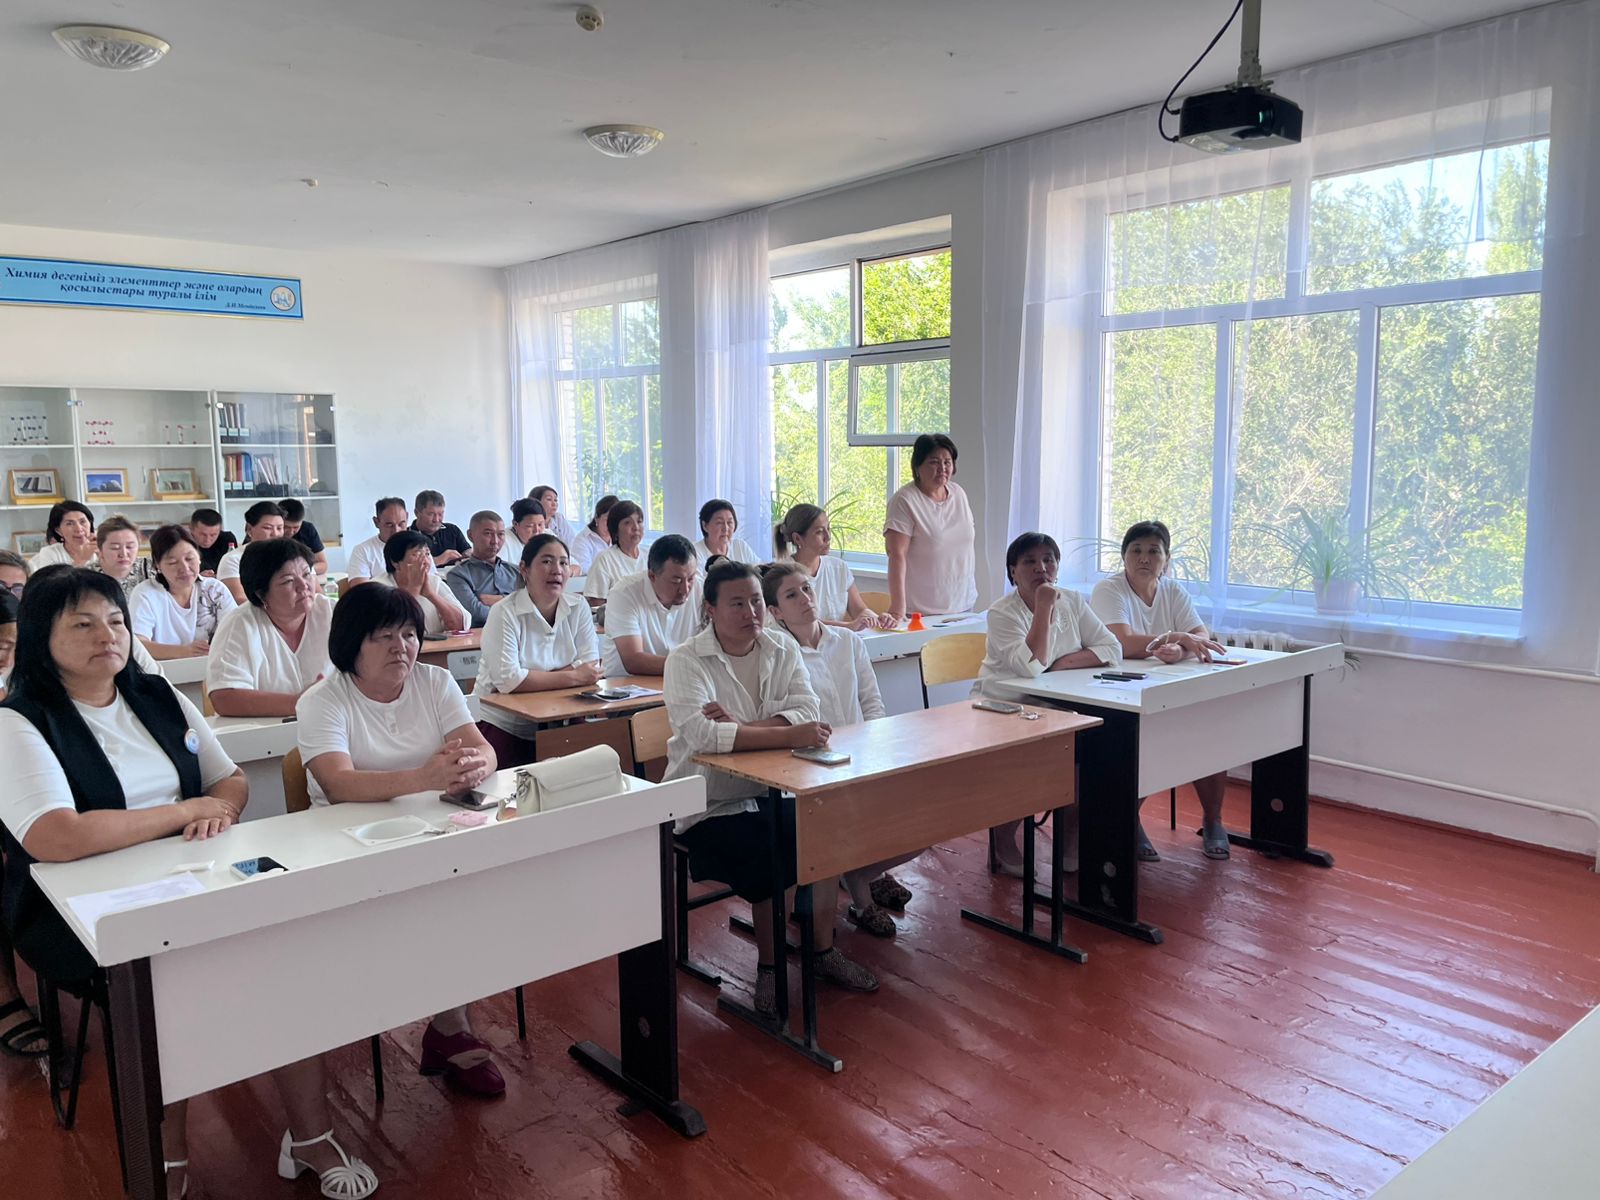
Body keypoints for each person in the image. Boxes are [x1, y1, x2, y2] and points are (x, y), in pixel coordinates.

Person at [0, 567, 377, 1199]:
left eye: (116, 621)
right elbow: (54, 836)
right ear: (42, 638)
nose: (107, 636)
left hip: (195, 876)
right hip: (86, 912)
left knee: (286, 952)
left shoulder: (153, 694)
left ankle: (309, 1136)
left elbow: (229, 779)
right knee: (167, 984)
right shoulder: (20, 722)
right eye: (83, 624)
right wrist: (184, 813)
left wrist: (219, 810)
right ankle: (167, 1156)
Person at [296, 583, 502, 1098]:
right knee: (439, 904)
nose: (401, 647)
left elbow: (484, 750)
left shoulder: (434, 682)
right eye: (384, 637)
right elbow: (338, 784)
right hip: (351, 845)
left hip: (434, 833)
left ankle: (450, 1025)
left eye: (409, 634)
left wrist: (474, 766)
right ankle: (446, 1027)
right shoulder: (323, 700)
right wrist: (426, 778)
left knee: (480, 896)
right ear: (351, 644)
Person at [663, 560, 878, 1015]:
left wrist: (741, 726)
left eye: (757, 601)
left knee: (824, 832)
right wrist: (784, 732)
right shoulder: (686, 659)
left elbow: (808, 712)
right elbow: (703, 736)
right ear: (710, 609)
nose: (751, 612)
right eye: (737, 603)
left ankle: (821, 952)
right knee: (771, 850)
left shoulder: (780, 647)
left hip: (772, 790)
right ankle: (770, 966)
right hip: (709, 801)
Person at [762, 561, 921, 938]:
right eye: (791, 595)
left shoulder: (848, 641)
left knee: (922, 813)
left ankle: (862, 873)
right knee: (839, 819)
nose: (805, 598)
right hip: (812, 765)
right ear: (775, 611)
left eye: (807, 589)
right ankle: (862, 897)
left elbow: (872, 702)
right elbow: (784, 719)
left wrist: (876, 746)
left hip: (861, 755)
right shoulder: (775, 653)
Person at [975, 532, 1121, 876]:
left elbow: (1112, 648)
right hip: (1003, 706)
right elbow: (1029, 667)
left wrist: (1060, 663)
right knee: (1036, 758)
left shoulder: (1073, 600)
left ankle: (1069, 835)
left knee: (1094, 750)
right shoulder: (1001, 612)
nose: (1041, 568)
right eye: (1029, 561)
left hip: (1056, 704)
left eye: (1048, 560)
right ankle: (1002, 838)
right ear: (1013, 571)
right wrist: (1043, 607)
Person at [1091, 520, 1231, 860]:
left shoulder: (1172, 590)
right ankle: (1127, 818)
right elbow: (1122, 642)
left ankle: (1213, 820)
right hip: (1116, 692)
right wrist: (1177, 637)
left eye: (1154, 551)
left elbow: (1200, 635)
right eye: (1136, 550)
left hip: (1165, 689)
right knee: (1145, 742)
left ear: (1166, 560)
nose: (1144, 558)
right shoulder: (1109, 590)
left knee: (1211, 733)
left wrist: (1181, 649)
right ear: (1123, 556)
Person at [474, 533, 601, 768]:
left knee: (594, 766)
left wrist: (528, 679)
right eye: (546, 561)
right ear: (524, 568)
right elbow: (509, 680)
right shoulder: (504, 612)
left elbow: (591, 667)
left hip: (563, 716)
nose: (557, 570)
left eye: (563, 563)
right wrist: (574, 675)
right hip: (506, 725)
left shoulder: (578, 606)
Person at [207, 539, 333, 718]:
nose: (303, 585)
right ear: (261, 593)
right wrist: (299, 703)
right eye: (288, 581)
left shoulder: (334, 613)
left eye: (306, 574)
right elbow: (225, 698)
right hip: (264, 733)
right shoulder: (239, 624)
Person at [884, 433, 977, 620]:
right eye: (934, 462)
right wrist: (897, 607)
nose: (942, 468)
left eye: (947, 462)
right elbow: (896, 555)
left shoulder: (958, 494)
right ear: (917, 466)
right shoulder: (904, 500)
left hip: (963, 604)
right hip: (922, 610)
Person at [774, 503, 894, 631]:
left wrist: (877, 619)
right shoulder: (782, 575)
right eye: (819, 532)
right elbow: (800, 623)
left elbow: (859, 610)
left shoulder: (839, 568)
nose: (828, 537)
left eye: (828, 529)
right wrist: (848, 626)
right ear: (797, 538)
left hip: (838, 641)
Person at [131, 525, 238, 660]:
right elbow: (137, 645)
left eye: (189, 558)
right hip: (162, 670)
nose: (184, 568)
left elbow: (237, 633)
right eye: (173, 562)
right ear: (157, 565)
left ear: (199, 557)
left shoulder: (214, 590)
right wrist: (185, 651)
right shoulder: (146, 594)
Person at [601, 535, 699, 677]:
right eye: (676, 581)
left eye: (691, 579)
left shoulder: (702, 590)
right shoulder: (624, 593)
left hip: (682, 679)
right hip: (625, 685)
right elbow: (634, 660)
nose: (685, 589)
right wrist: (692, 667)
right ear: (652, 576)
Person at [379, 531, 468, 636]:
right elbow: (392, 629)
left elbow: (461, 625)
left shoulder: (434, 582)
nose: (425, 561)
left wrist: (431, 594)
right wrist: (414, 589)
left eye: (427, 554)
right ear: (395, 563)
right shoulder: (378, 587)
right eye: (416, 555)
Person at [445, 510, 521, 627]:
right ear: (470, 535)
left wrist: (498, 599)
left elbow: (535, 605)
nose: (495, 541)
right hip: (481, 635)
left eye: (500, 534)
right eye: (488, 534)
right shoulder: (458, 575)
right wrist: (516, 604)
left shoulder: (517, 571)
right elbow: (477, 613)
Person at [347, 498, 434, 585]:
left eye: (401, 524)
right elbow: (360, 589)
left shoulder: (420, 547)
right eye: (389, 525)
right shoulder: (363, 551)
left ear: (407, 517)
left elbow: (433, 580)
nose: (396, 530)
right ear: (376, 522)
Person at [216, 501, 287, 605]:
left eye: (279, 528)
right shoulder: (233, 559)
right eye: (267, 528)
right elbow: (239, 599)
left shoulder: (292, 556)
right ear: (249, 529)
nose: (275, 534)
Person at [583, 500, 646, 605]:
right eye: (627, 522)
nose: (636, 527)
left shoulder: (650, 555)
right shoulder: (605, 559)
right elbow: (596, 603)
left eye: (639, 521)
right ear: (615, 530)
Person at [94, 515, 153, 599]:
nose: (124, 554)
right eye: (115, 548)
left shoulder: (150, 568)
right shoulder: (86, 576)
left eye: (129, 547)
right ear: (100, 550)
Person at [30, 500, 97, 571]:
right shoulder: (50, 553)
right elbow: (54, 578)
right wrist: (82, 559)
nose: (79, 529)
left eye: (82, 522)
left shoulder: (99, 547)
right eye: (69, 524)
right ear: (58, 530)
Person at [411, 489, 470, 568]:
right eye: (431, 514)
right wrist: (440, 559)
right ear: (417, 513)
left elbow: (467, 550)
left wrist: (469, 554)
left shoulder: (452, 530)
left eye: (440, 514)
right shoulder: (407, 536)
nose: (436, 519)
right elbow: (409, 567)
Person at [695, 499, 758, 565]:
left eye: (729, 522)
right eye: (719, 522)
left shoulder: (739, 546)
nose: (726, 528)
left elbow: (760, 568)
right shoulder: (695, 553)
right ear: (705, 526)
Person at [569, 495, 617, 576]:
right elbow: (584, 571)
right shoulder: (583, 540)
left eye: (615, 520)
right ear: (596, 519)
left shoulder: (620, 538)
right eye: (607, 519)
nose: (611, 524)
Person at [280, 498, 328, 576]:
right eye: (286, 527)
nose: (291, 532)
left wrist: (304, 570)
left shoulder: (307, 529)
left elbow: (323, 565)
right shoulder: (272, 533)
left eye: (296, 527)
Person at [188, 507, 236, 577]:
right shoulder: (183, 543)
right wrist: (198, 577)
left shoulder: (227, 540)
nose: (207, 540)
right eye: (203, 534)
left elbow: (235, 569)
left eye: (213, 535)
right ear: (191, 529)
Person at [500, 498, 548, 568]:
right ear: (515, 524)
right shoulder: (503, 542)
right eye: (530, 526)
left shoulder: (548, 535)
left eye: (540, 524)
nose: (536, 530)